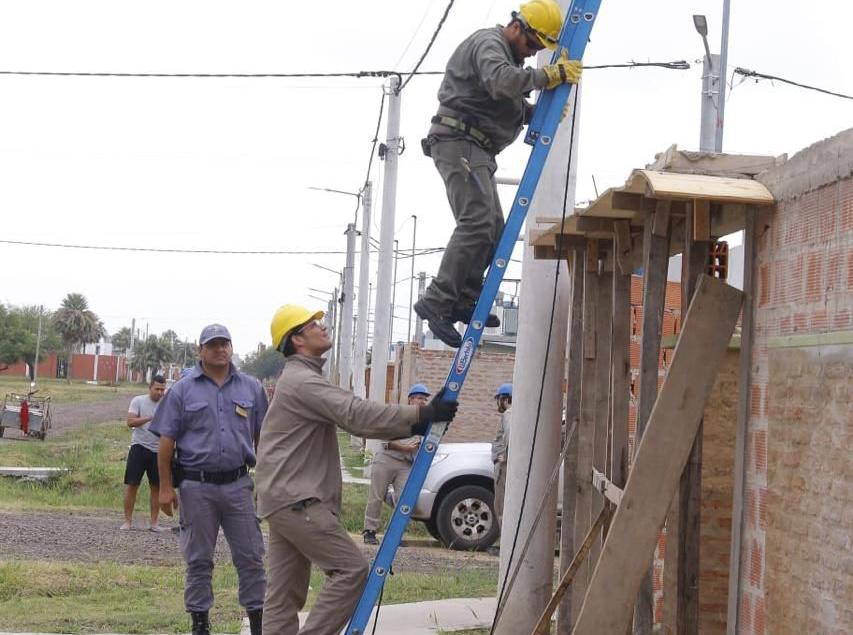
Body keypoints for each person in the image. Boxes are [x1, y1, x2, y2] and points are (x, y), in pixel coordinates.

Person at [255, 305, 458, 635]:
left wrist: (416, 422)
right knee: (351, 570)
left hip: (281, 499)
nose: (323, 326)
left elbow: (354, 417)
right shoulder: (303, 381)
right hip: (296, 500)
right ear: (297, 340)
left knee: (283, 596)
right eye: (313, 324)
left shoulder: (298, 379)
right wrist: (421, 416)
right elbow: (355, 415)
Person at [415, 0, 582, 347]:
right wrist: (546, 77)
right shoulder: (490, 45)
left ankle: (464, 297)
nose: (533, 51)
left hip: (475, 149)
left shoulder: (509, 59)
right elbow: (502, 83)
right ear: (516, 27)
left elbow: (505, 102)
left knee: (492, 230)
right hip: (458, 141)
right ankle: (436, 302)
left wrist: (539, 112)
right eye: (532, 44)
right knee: (476, 221)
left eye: (539, 48)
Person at [150, 324, 268, 635]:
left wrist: (269, 481)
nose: (219, 349)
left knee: (251, 557)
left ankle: (258, 623)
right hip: (196, 487)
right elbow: (166, 445)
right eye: (212, 344)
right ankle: (200, 624)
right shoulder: (181, 390)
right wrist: (164, 488)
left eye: (224, 343)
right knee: (199, 560)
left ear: (231, 347)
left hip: (239, 486)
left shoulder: (252, 388)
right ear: (200, 350)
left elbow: (263, 439)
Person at [361, 383, 431, 545]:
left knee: (405, 498)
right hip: (387, 459)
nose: (422, 402)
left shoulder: (424, 421)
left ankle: (394, 533)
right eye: (419, 398)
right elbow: (385, 441)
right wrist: (406, 448)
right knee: (376, 496)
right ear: (411, 400)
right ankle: (369, 531)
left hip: (405, 464)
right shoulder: (398, 415)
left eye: (424, 399)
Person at [121, 374, 167, 531]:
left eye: (163, 389)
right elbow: (130, 422)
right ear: (150, 388)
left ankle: (154, 523)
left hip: (159, 450)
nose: (160, 393)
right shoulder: (138, 401)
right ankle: (127, 521)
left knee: (156, 487)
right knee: (132, 485)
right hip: (139, 447)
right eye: (157, 389)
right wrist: (149, 418)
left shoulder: (167, 404)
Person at [491, 383, 513, 528]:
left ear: (505, 399)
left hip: (504, 467)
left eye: (499, 399)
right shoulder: (513, 414)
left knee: (502, 505)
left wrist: (504, 456)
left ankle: (505, 546)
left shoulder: (509, 414)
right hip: (505, 464)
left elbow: (509, 437)